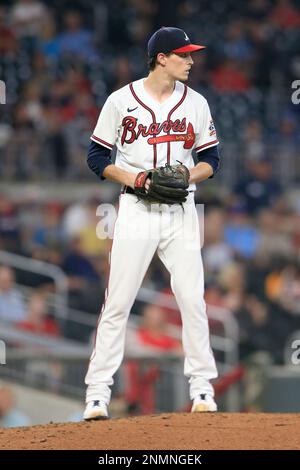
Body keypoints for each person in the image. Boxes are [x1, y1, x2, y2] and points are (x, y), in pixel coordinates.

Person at [84, 27, 220, 420]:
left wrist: (186, 176)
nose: (191, 60)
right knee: (118, 303)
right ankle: (97, 393)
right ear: (161, 57)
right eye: (183, 55)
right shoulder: (120, 101)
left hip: (181, 210)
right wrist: (137, 179)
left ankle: (202, 389)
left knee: (193, 300)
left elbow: (212, 160)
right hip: (136, 209)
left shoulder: (196, 103)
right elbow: (96, 158)